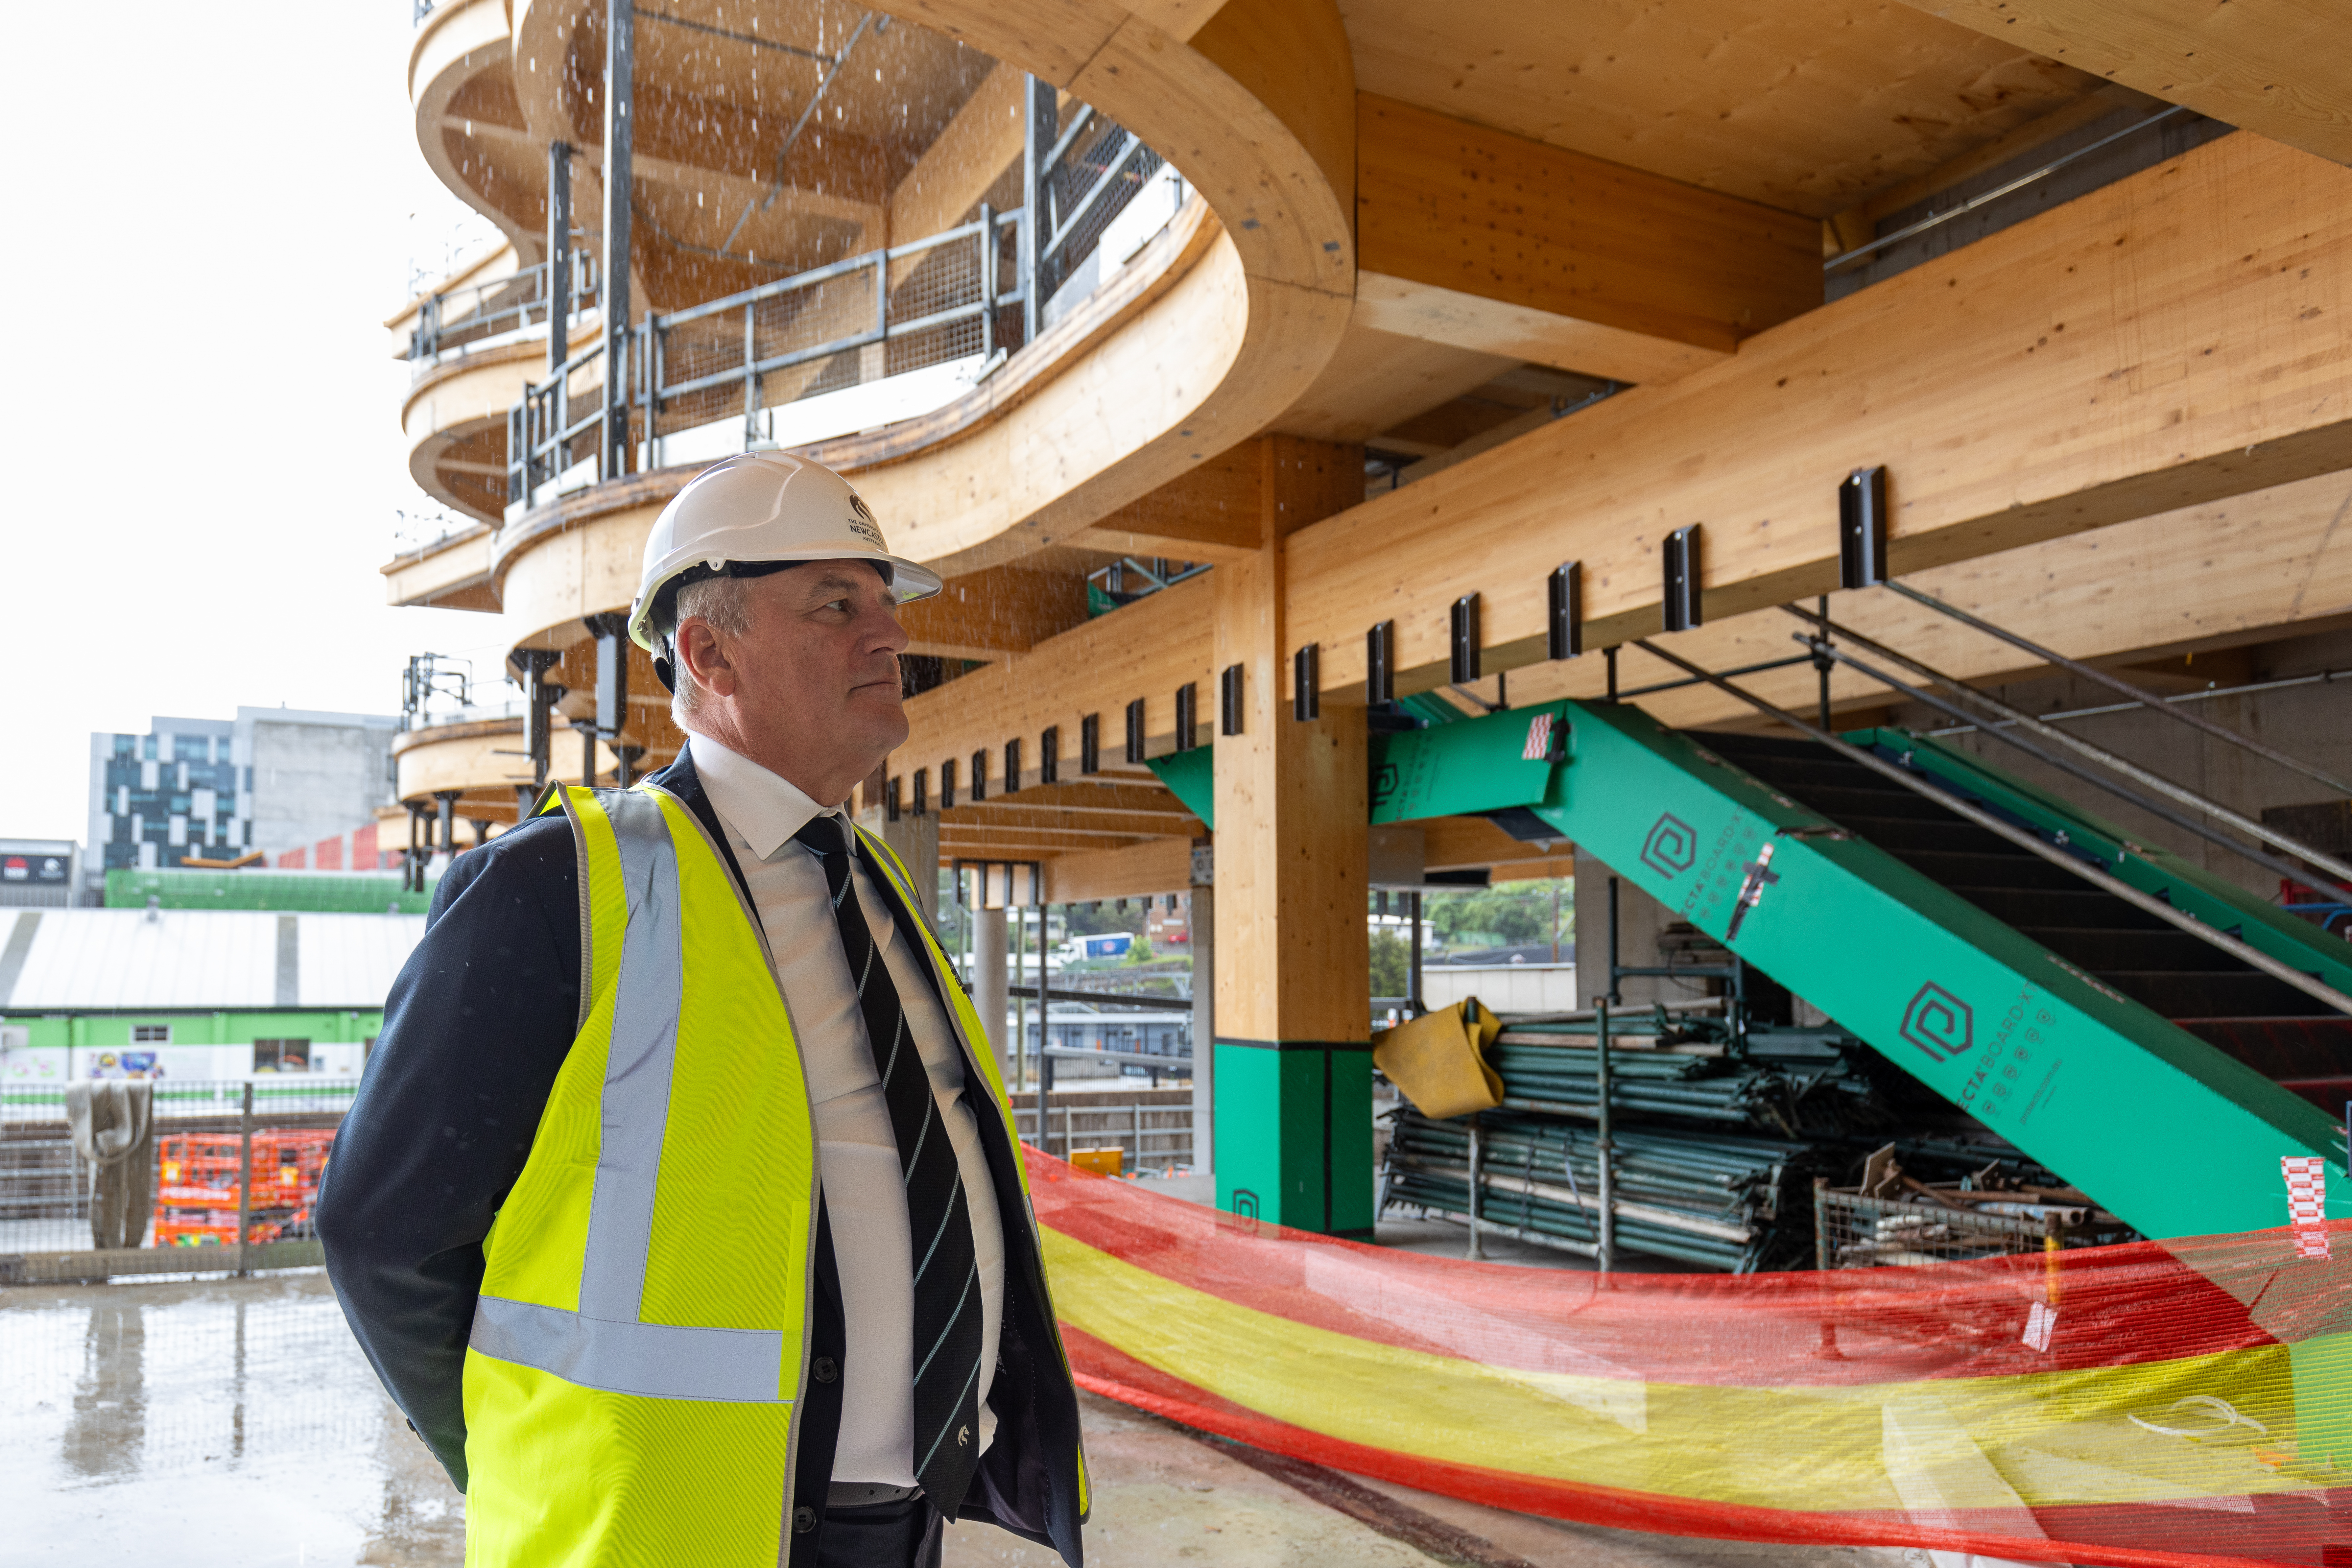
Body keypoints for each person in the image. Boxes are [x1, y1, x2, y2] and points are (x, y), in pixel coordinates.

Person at [319, 452, 1088, 1568]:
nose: (888, 635)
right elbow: (383, 1233)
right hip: (661, 1536)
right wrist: (527, 1441)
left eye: (885, 602)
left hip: (900, 1526)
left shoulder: (880, 891)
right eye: (837, 602)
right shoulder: (559, 890)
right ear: (708, 650)